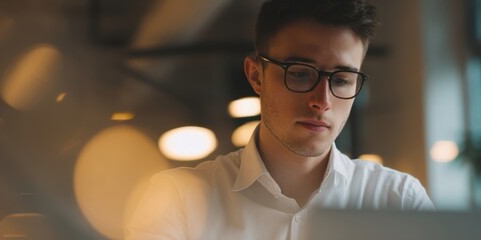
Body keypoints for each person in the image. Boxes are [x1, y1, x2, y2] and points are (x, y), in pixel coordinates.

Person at [126, 0, 434, 239]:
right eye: (300, 73)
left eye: (341, 79)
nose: (322, 101)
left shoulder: (397, 201)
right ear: (256, 75)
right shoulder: (177, 200)